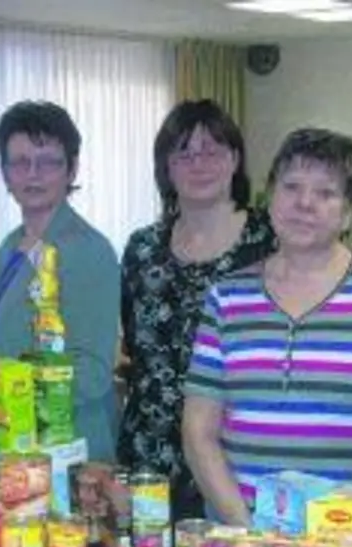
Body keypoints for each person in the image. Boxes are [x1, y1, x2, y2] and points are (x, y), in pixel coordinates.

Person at [182, 127, 352, 525]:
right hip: (241, 533)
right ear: (269, 198)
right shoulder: (227, 295)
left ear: (348, 212)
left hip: (345, 536)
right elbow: (198, 430)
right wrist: (248, 530)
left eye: (326, 193)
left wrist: (338, 525)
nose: (305, 203)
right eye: (291, 187)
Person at [119, 99, 275, 521]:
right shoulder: (142, 248)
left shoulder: (271, 240)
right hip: (149, 452)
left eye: (212, 151)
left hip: (236, 452)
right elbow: (135, 345)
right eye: (183, 153)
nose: (198, 164)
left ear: (235, 160)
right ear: (165, 167)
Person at [0, 100, 121, 462]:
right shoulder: (12, 244)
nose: (33, 174)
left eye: (48, 162)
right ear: (5, 174)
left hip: (66, 449)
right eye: (20, 163)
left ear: (71, 170)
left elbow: (93, 372)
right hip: (15, 442)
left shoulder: (88, 250)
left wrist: (11, 395)